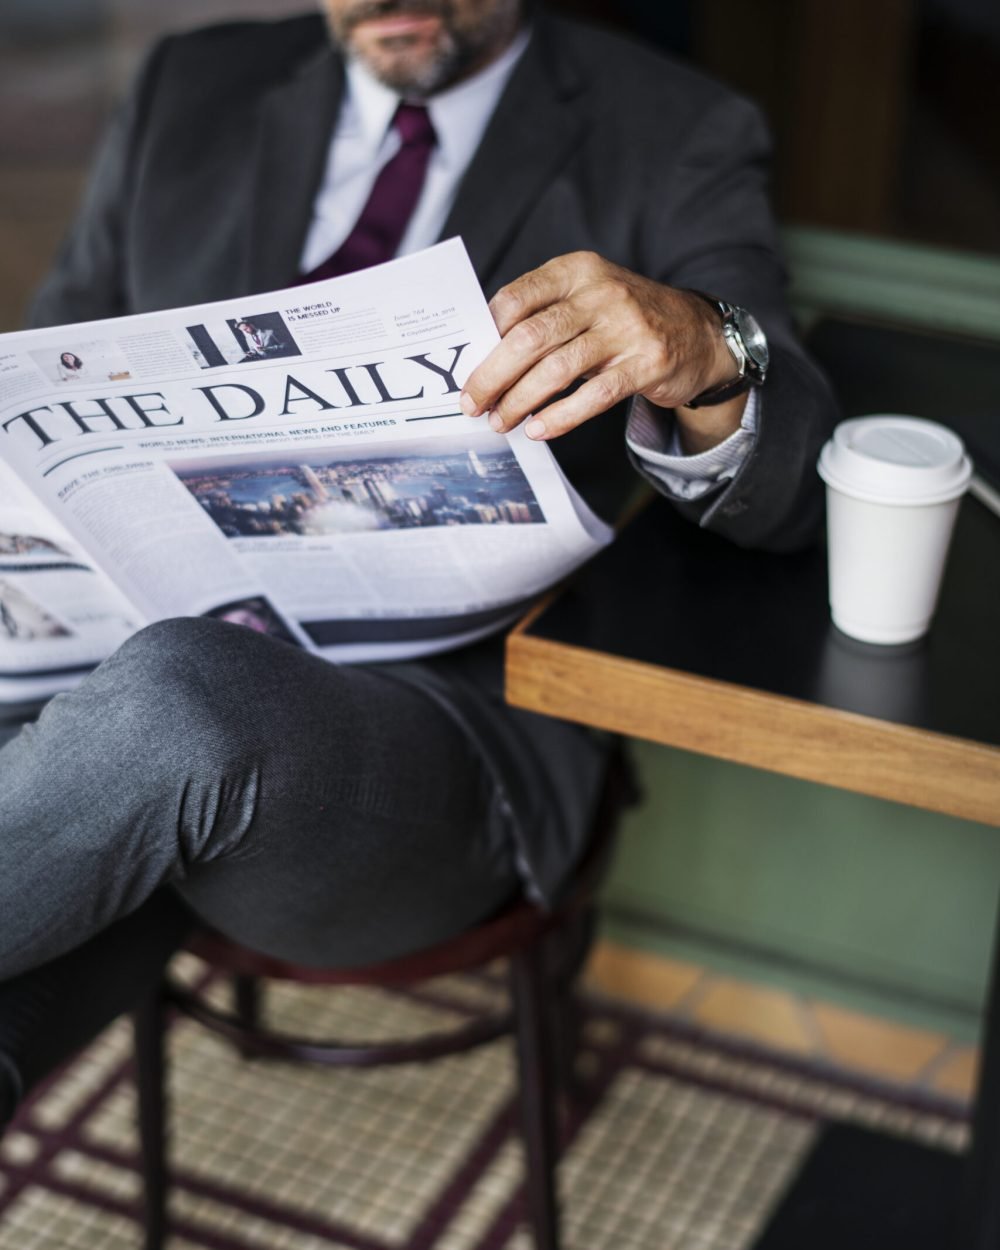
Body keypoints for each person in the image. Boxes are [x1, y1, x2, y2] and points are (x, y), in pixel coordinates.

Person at [0, 0, 837, 1129]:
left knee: (171, 706)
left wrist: (706, 349)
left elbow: (793, 481)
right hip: (114, 697)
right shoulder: (190, 85)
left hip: (436, 742)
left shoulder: (673, 126)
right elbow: (48, 390)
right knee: (121, 753)